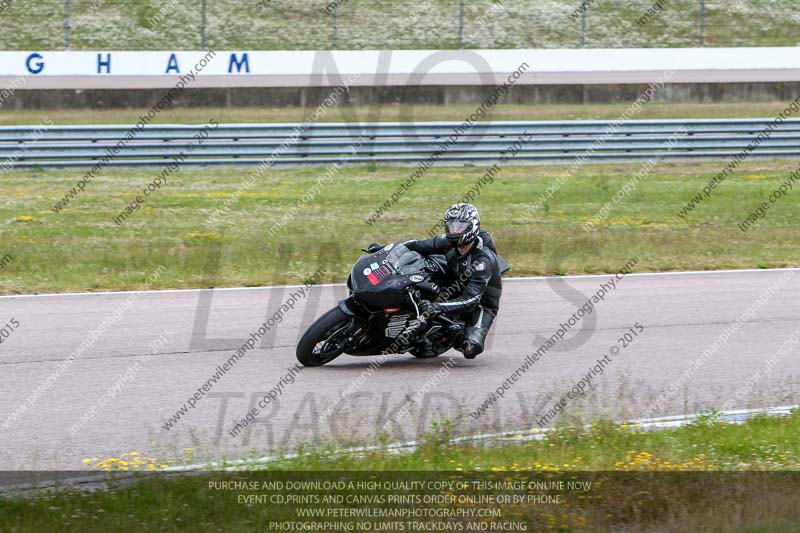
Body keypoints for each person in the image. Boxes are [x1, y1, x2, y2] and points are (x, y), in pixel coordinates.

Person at [370, 203, 503, 359]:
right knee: (421, 265)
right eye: (451, 227)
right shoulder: (447, 242)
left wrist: (436, 307)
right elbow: (417, 245)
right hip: (454, 279)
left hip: (480, 303)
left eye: (460, 227)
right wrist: (386, 249)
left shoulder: (482, 261)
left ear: (472, 227)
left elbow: (470, 301)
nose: (455, 231)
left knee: (471, 348)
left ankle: (454, 334)